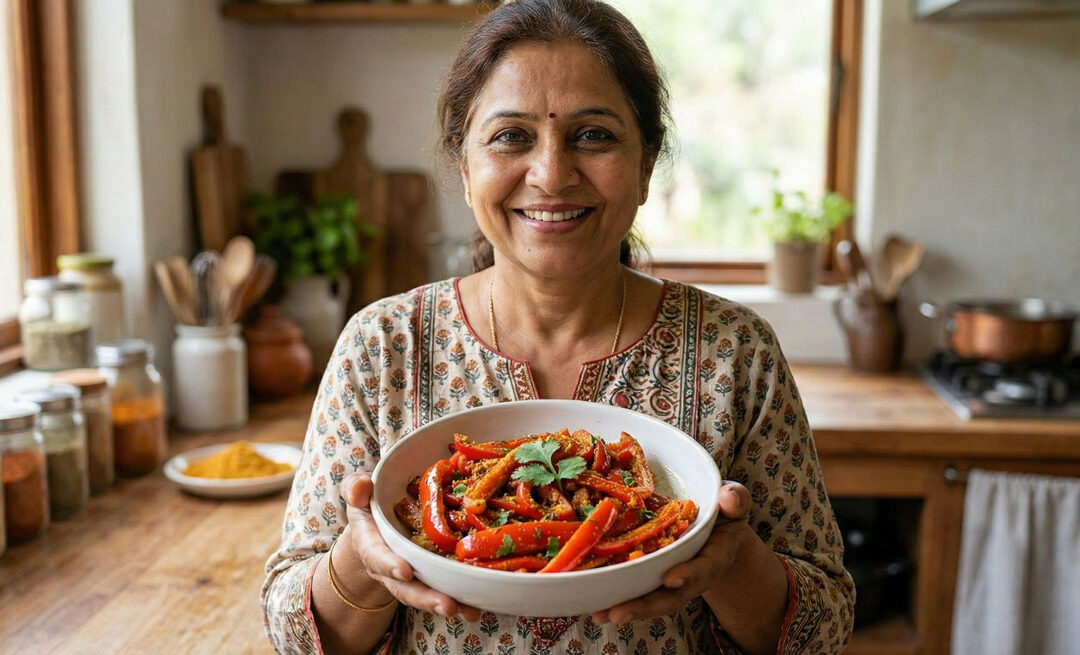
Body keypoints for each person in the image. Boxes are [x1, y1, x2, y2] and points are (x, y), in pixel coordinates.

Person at [261, 1, 855, 653]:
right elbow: (291, 631)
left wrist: (733, 562)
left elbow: (823, 627)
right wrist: (364, 558)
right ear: (464, 168)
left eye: (593, 135)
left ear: (647, 165)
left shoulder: (736, 352)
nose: (550, 174)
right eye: (512, 136)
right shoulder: (382, 347)